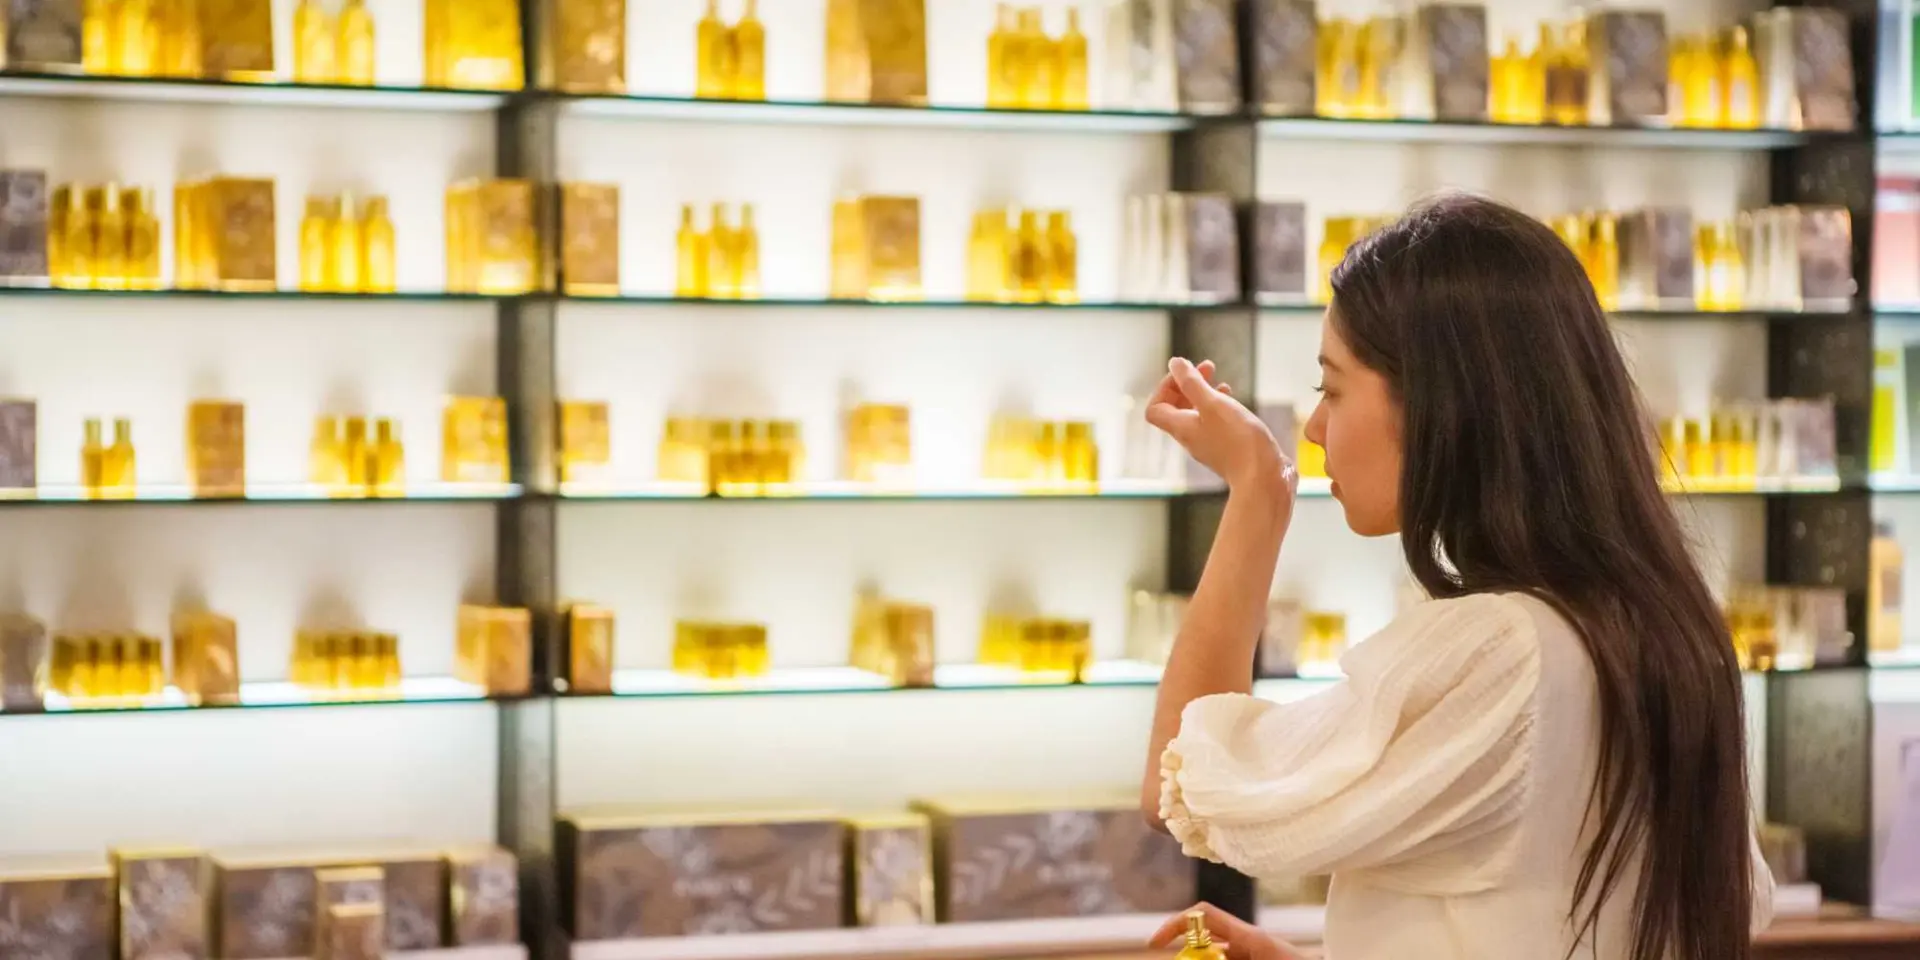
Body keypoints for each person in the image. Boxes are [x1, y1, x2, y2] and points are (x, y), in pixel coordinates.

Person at [1134, 194, 1772, 960]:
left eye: (1332, 389)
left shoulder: (1500, 648)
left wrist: (1257, 496)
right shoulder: (1663, 629)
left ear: (1439, 405)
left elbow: (1181, 779)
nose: (1315, 428)